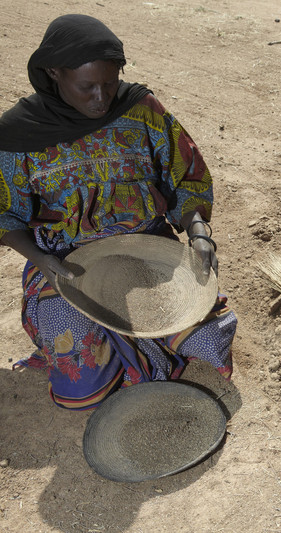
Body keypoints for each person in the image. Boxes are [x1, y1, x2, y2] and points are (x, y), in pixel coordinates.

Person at [0, 15, 237, 410]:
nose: (102, 97)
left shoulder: (141, 109)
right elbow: (5, 214)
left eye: (110, 83)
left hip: (149, 249)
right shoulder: (18, 133)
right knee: (79, 389)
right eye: (87, 86)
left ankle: (147, 346)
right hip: (66, 263)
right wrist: (40, 259)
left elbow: (186, 177)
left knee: (209, 343)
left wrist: (197, 232)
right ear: (54, 72)